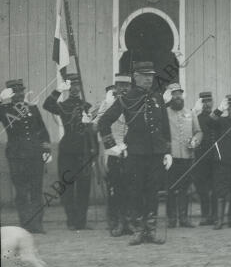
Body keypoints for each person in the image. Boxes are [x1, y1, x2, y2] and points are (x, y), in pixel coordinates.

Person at [98, 61, 172, 245]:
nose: (149, 79)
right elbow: (104, 122)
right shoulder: (126, 98)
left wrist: (167, 151)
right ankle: (139, 230)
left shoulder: (157, 97)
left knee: (153, 192)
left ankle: (151, 231)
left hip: (156, 153)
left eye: (151, 75)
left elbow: (164, 126)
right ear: (135, 77)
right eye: (145, 75)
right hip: (136, 154)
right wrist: (111, 146)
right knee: (136, 191)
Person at [43, 73, 97, 231]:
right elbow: (47, 105)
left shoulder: (87, 106)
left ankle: (81, 221)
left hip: (84, 150)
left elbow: (92, 132)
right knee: (67, 186)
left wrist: (93, 151)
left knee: (84, 187)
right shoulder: (63, 106)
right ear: (68, 88)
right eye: (72, 85)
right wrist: (58, 91)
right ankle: (71, 220)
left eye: (78, 85)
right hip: (67, 150)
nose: (75, 88)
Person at [0, 79, 51, 233]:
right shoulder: (4, 110)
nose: (19, 94)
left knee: (36, 189)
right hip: (17, 156)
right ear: (10, 94)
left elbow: (42, 130)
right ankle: (26, 224)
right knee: (21, 191)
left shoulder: (32, 108)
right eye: (15, 92)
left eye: (21, 91)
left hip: (35, 154)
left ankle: (37, 224)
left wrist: (47, 150)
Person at [92, 74, 132, 236]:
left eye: (126, 85)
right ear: (115, 86)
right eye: (120, 85)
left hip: (130, 150)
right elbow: (97, 127)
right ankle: (115, 222)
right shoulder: (108, 103)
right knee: (115, 188)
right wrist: (112, 146)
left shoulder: (134, 104)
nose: (123, 88)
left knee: (129, 187)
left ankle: (129, 221)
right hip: (112, 150)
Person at [164, 83, 203, 228]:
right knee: (171, 188)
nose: (177, 97)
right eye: (174, 94)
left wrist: (195, 140)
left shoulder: (190, 113)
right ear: (170, 96)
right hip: (170, 157)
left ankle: (184, 218)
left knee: (185, 189)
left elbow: (198, 131)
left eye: (179, 94)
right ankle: (171, 218)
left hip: (187, 156)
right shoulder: (164, 113)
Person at [208, 95, 231, 229]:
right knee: (221, 191)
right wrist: (219, 109)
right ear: (228, 108)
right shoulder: (222, 121)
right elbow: (210, 123)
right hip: (223, 161)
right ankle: (219, 220)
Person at [193, 91, 218, 226]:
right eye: (205, 102)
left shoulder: (216, 116)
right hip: (201, 157)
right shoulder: (197, 118)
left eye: (210, 101)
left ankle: (214, 215)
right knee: (202, 188)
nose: (208, 104)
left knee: (214, 187)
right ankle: (205, 215)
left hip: (214, 157)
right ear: (201, 103)